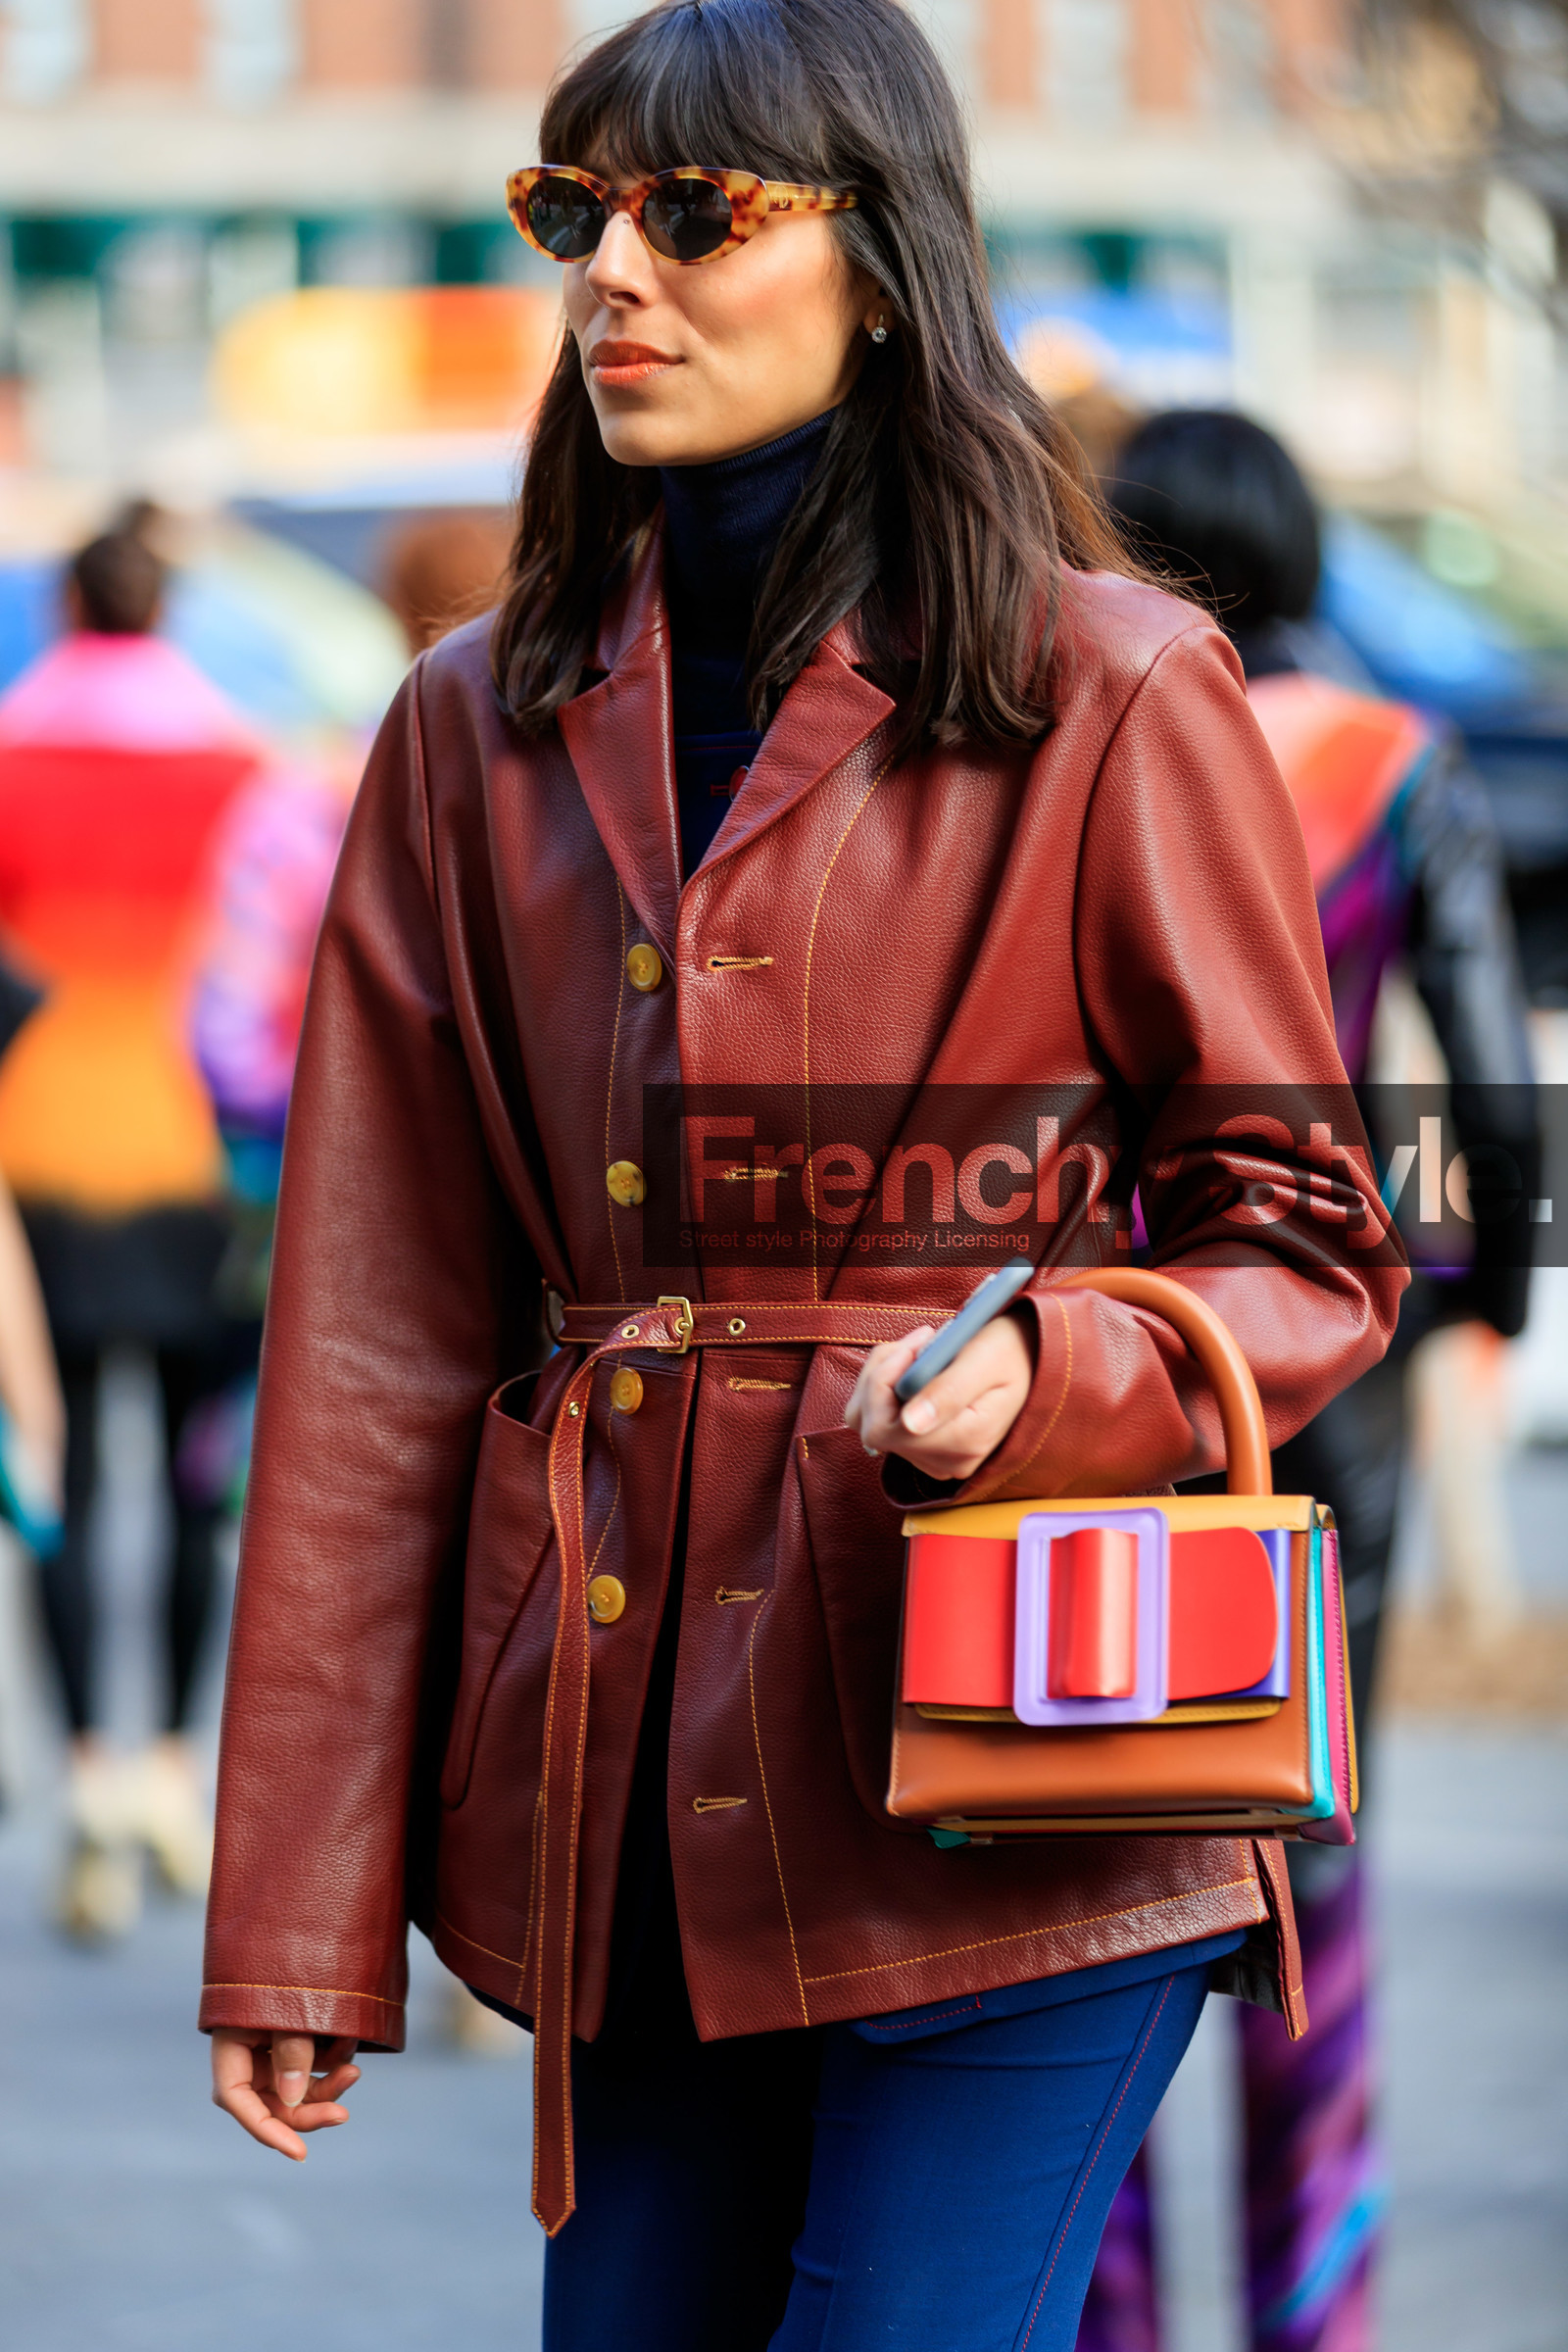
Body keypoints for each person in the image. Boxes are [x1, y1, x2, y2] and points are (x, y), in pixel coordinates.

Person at [202, 8, 1403, 2347]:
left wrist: (1058, 1367)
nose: (611, 277)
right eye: (574, 214)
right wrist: (298, 1908)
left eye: (696, 213)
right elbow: (372, 1343)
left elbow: (1306, 1230)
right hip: (627, 1793)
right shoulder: (472, 727)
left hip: (1019, 1761)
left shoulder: (1113, 687)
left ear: (878, 263)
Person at [1078, 410, 1539, 2352]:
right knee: (1302, 1856)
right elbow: (1490, 1088)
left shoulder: (1073, 735)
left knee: (1076, 1854)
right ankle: (1312, 2312)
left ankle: (1094, 2313)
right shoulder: (1394, 764)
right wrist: (1477, 1296)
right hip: (1316, 1356)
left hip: (1096, 1356)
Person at [0, 512, 266, 1937]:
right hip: (193, 1157)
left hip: (33, 1151)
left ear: (64, 608)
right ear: (169, 611)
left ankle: (91, 1780)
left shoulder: (6, 756)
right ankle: (170, 1768)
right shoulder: (242, 765)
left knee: (53, 1481)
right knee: (181, 1481)